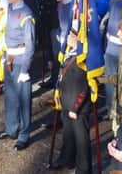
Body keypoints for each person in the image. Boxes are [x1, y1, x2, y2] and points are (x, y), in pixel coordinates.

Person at [0, 0, 35, 150]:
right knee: (10, 97)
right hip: (7, 59)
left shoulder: (26, 14)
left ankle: (24, 135)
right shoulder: (6, 10)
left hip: (20, 60)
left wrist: (25, 69)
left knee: (24, 100)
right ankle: (11, 129)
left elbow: (30, 44)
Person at [50, 29, 91, 173]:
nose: (68, 38)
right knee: (67, 134)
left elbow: (86, 86)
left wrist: (76, 107)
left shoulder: (83, 58)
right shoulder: (70, 52)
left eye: (71, 36)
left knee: (81, 140)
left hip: (77, 106)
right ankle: (67, 159)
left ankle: (84, 169)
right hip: (66, 100)